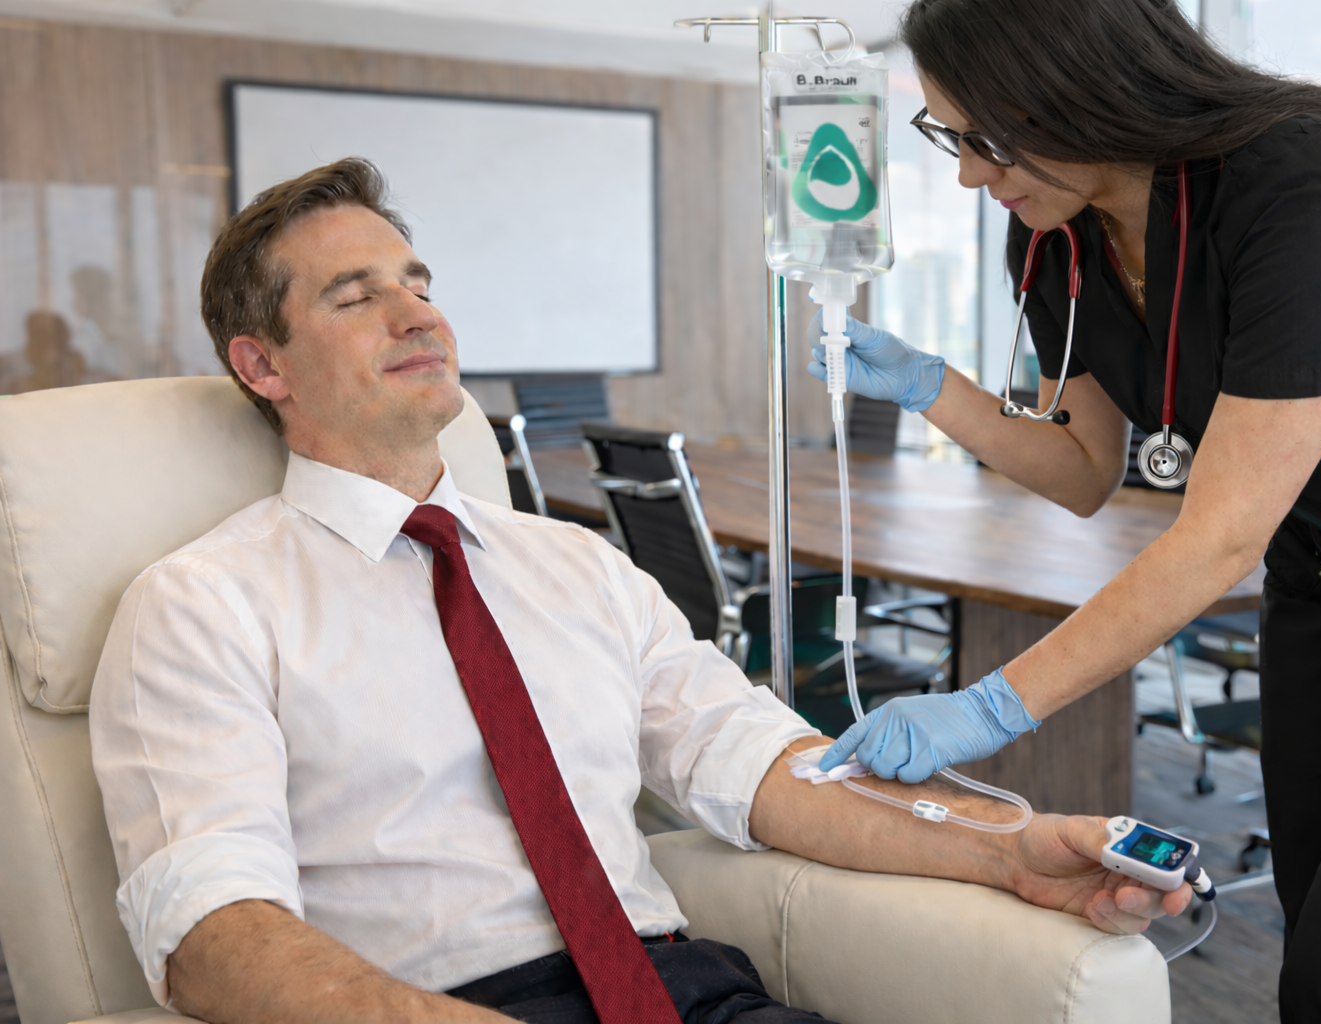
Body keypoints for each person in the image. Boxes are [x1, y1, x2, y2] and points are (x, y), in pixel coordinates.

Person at [88, 158, 1189, 1024]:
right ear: (263, 365)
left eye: (420, 284)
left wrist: (1006, 848)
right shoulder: (202, 606)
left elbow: (765, 765)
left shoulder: (575, 566)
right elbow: (210, 933)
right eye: (355, 295)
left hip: (687, 992)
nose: (419, 314)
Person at [806, 1, 1321, 1020]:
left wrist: (988, 708)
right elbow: (1080, 471)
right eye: (950, 138)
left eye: (979, 138)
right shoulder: (1057, 234)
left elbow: (1219, 531)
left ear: (1073, 84)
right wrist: (936, 389)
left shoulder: (1309, 182)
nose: (970, 173)